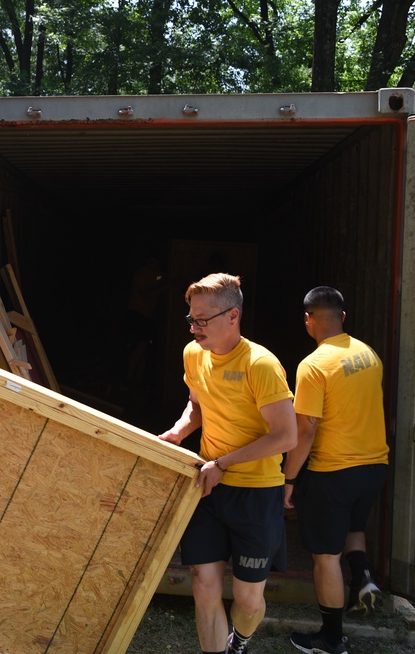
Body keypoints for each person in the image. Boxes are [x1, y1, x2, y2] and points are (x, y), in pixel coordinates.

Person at [159, 273, 297, 654]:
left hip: (255, 493)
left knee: (249, 601)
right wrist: (178, 431)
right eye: (191, 318)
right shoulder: (193, 354)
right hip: (209, 487)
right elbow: (197, 404)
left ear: (232, 316)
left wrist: (222, 462)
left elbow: (286, 436)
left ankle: (240, 642)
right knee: (204, 586)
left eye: (202, 319)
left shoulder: (261, 364)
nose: (193, 327)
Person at [284, 286, 390, 654]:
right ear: (343, 317)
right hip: (375, 466)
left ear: (308, 320)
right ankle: (362, 577)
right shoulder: (369, 354)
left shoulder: (313, 366)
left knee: (325, 556)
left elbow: (306, 428)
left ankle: (331, 639)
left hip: (333, 472)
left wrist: (289, 478)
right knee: (353, 527)